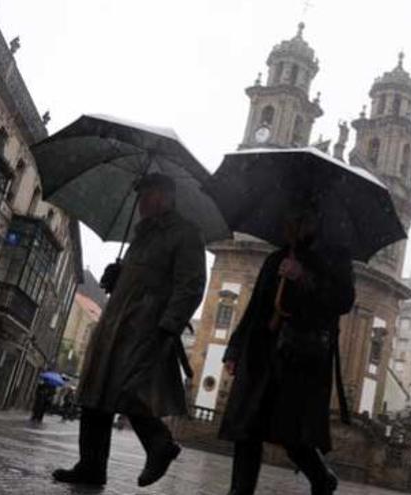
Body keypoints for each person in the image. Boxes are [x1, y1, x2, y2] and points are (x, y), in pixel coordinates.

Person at [52, 173, 207, 488]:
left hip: (146, 324)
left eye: (147, 195)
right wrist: (116, 277)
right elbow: (139, 277)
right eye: (140, 197)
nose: (141, 203)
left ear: (165, 196)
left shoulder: (185, 234)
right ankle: (91, 465)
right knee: (96, 391)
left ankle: (159, 444)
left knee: (129, 389)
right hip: (115, 322)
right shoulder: (142, 235)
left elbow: (191, 286)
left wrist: (169, 325)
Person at [219, 207, 356, 495]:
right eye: (287, 218)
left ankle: (321, 478)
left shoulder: (334, 257)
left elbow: (342, 300)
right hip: (262, 353)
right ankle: (239, 492)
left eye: (296, 218)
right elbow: (255, 308)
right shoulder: (276, 258)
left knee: (293, 435)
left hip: (300, 357)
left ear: (312, 221)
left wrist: (303, 276)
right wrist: (234, 348)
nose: (287, 224)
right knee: (248, 427)